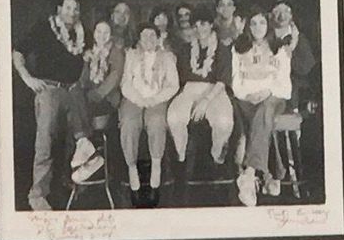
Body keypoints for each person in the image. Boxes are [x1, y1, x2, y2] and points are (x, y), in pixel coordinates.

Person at [12, 0, 86, 211]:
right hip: (50, 91)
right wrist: (27, 78)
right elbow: (18, 52)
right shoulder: (44, 28)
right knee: (45, 141)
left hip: (73, 92)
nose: (72, 12)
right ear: (59, 9)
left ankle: (71, 184)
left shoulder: (82, 32)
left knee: (78, 139)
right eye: (68, 7)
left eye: (76, 8)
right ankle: (37, 195)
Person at [230, 11, 291, 206]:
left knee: (265, 110)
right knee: (261, 120)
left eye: (262, 22)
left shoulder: (279, 49)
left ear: (269, 25)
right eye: (253, 23)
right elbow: (235, 81)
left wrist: (267, 91)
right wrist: (246, 95)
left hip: (273, 98)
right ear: (248, 27)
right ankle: (270, 174)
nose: (258, 27)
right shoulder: (238, 48)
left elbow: (285, 86)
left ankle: (248, 175)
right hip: (247, 99)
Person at [117, 17, 178, 200]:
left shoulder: (167, 57)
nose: (149, 40)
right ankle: (132, 171)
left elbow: (173, 85)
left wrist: (154, 99)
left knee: (157, 122)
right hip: (133, 98)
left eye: (152, 36)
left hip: (157, 99)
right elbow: (126, 83)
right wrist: (138, 99)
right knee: (129, 123)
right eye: (145, 36)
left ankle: (156, 174)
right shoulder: (131, 55)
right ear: (139, 39)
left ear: (158, 39)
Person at [63, 16, 124, 194]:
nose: (102, 35)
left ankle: (81, 163)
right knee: (74, 95)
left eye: (106, 32)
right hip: (89, 100)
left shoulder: (116, 52)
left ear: (110, 34)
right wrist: (86, 63)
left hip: (107, 100)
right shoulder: (90, 52)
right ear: (94, 33)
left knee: (74, 112)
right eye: (98, 31)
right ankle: (87, 152)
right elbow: (83, 81)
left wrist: (93, 95)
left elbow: (114, 78)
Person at [167, 12, 235, 171]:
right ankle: (181, 158)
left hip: (215, 90)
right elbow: (181, 80)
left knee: (223, 121)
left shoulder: (222, 49)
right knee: (174, 117)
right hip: (189, 88)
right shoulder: (185, 49)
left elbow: (222, 81)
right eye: (195, 26)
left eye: (203, 24)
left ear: (211, 25)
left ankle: (217, 156)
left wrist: (205, 101)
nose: (199, 29)